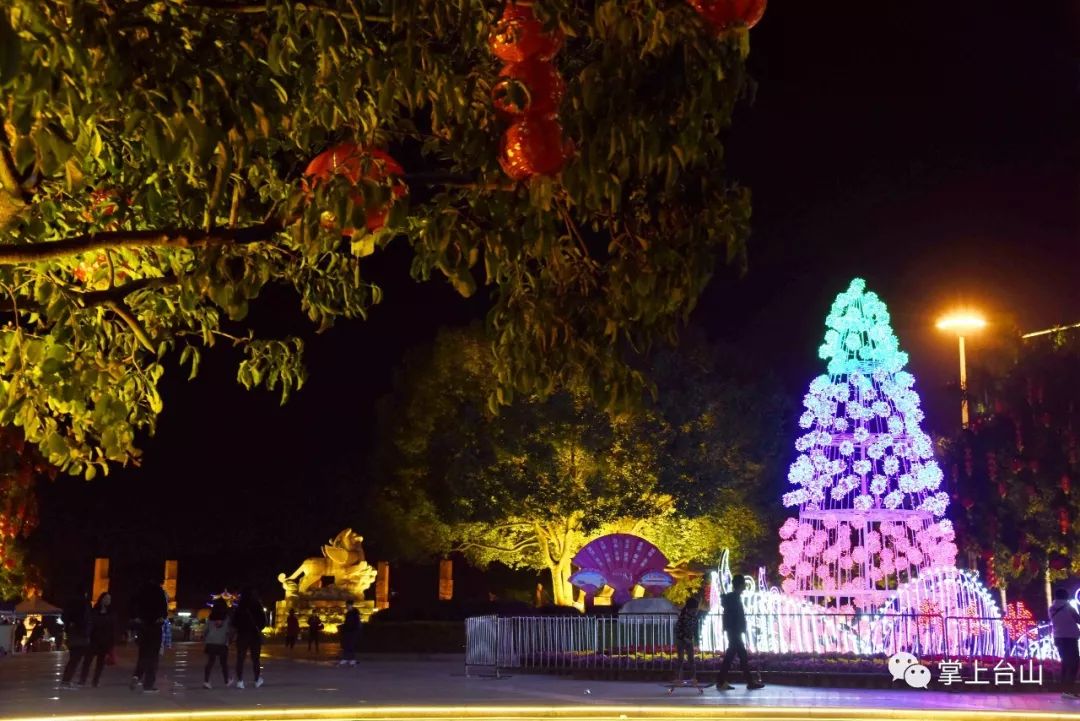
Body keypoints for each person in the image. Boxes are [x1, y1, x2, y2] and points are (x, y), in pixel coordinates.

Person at [715, 575, 765, 691]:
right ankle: (748, 682)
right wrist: (739, 628)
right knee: (740, 656)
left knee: (733, 656)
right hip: (734, 631)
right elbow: (733, 616)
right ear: (741, 585)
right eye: (743, 584)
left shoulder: (733, 598)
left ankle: (722, 681)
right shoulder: (734, 598)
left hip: (734, 631)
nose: (745, 586)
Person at [130, 579, 168, 693]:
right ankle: (148, 684)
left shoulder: (140, 591)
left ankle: (137, 675)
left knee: (143, 654)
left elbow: (131, 605)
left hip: (143, 626)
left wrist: (137, 618)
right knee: (153, 657)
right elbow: (164, 609)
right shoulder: (159, 592)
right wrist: (161, 618)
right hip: (155, 627)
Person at [79, 592, 116, 688]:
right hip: (93, 640)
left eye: (109, 599)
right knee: (87, 661)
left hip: (105, 641)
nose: (108, 601)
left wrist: (111, 643)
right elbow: (90, 624)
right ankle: (82, 680)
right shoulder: (94, 611)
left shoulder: (111, 612)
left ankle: (95, 681)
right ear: (102, 599)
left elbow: (112, 628)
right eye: (106, 598)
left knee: (100, 663)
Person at [233, 587, 266, 689]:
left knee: (240, 658)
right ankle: (256, 680)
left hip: (242, 635)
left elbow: (234, 622)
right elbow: (263, 622)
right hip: (254, 635)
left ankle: (240, 681)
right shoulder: (257, 605)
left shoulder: (240, 607)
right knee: (255, 659)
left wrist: (240, 628)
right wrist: (258, 628)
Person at [1050, 586, 1080, 698]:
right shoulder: (1068, 608)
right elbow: (1078, 619)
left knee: (1065, 663)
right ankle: (1069, 691)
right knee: (1074, 663)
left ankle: (1065, 690)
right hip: (1070, 638)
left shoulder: (1052, 608)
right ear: (1066, 596)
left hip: (1058, 637)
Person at [60, 592, 93, 689]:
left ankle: (66, 681)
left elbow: (65, 617)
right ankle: (66, 681)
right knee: (75, 659)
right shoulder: (84, 605)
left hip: (73, 635)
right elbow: (87, 620)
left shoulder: (69, 606)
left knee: (73, 659)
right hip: (80, 635)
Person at [673, 595, 707, 684]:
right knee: (680, 659)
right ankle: (677, 678)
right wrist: (684, 638)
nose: (695, 612)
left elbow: (695, 630)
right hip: (681, 641)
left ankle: (693, 678)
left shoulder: (694, 618)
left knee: (691, 659)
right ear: (688, 609)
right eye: (694, 610)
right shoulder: (683, 617)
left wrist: (695, 641)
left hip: (689, 640)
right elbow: (677, 629)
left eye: (696, 610)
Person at [202, 598, 233, 689]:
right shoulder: (227, 618)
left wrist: (204, 637)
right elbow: (229, 631)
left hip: (211, 642)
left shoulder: (210, 617)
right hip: (222, 643)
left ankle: (206, 681)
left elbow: (206, 630)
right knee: (223, 663)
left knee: (210, 662)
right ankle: (226, 681)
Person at [339, 599, 361, 666]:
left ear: (351, 605)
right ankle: (345, 659)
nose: (347, 607)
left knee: (351, 646)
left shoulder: (355, 613)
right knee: (346, 645)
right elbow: (346, 622)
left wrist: (355, 631)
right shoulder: (348, 613)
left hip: (353, 632)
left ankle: (352, 659)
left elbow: (357, 623)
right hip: (347, 631)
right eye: (346, 605)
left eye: (348, 605)